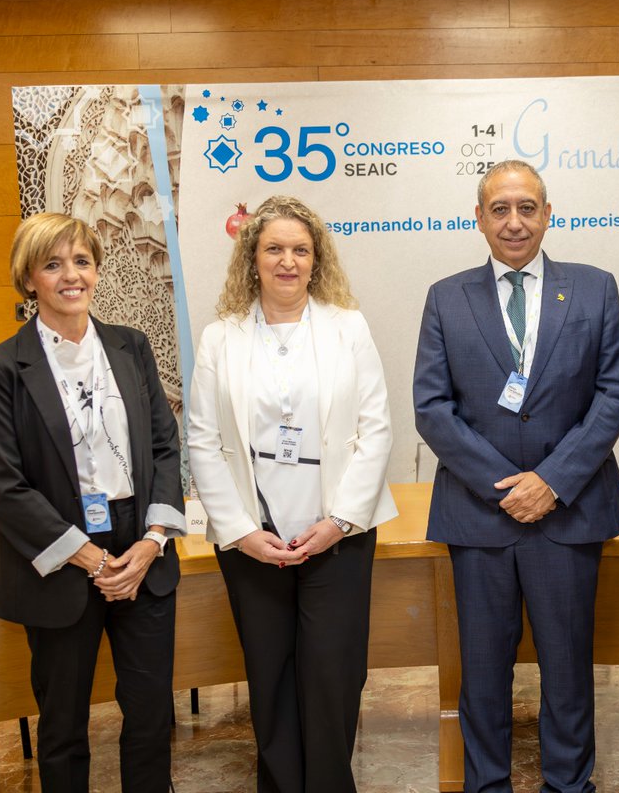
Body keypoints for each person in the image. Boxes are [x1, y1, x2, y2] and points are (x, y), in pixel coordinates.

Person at [413, 159, 619, 793]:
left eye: (527, 207)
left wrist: (552, 481)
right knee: (482, 672)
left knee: (567, 668)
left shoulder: (594, 288)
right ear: (479, 218)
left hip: (568, 511)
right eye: (500, 209)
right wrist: (506, 485)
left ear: (547, 213)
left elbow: (614, 395)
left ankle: (569, 784)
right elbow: (432, 408)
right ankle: (487, 785)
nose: (515, 221)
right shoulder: (445, 296)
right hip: (481, 517)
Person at [187, 195, 397, 793]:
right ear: (252, 260)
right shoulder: (221, 337)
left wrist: (339, 520)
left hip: (337, 537)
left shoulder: (346, 326)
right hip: (254, 540)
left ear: (316, 259)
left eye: (300, 250)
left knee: (333, 677)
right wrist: (240, 532)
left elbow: (375, 428)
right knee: (271, 678)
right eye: (273, 249)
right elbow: (202, 441)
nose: (287, 261)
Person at [0, 212, 185, 792]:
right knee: (63, 722)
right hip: (61, 556)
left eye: (82, 261)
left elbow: (166, 448)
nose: (71, 275)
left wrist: (150, 543)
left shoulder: (130, 347)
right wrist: (90, 559)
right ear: (29, 278)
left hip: (140, 547)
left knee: (150, 714)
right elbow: (5, 485)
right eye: (53, 264)